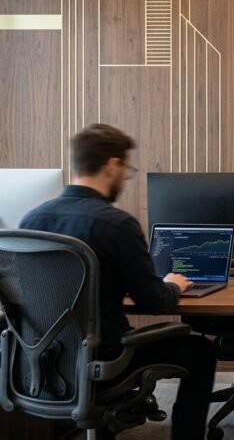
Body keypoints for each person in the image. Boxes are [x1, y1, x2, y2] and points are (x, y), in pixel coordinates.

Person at [20, 124, 215, 440]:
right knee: (201, 351)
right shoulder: (116, 225)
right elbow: (155, 301)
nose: (125, 177)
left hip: (42, 362)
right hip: (107, 358)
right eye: (126, 169)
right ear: (112, 165)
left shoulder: (31, 220)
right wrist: (173, 285)